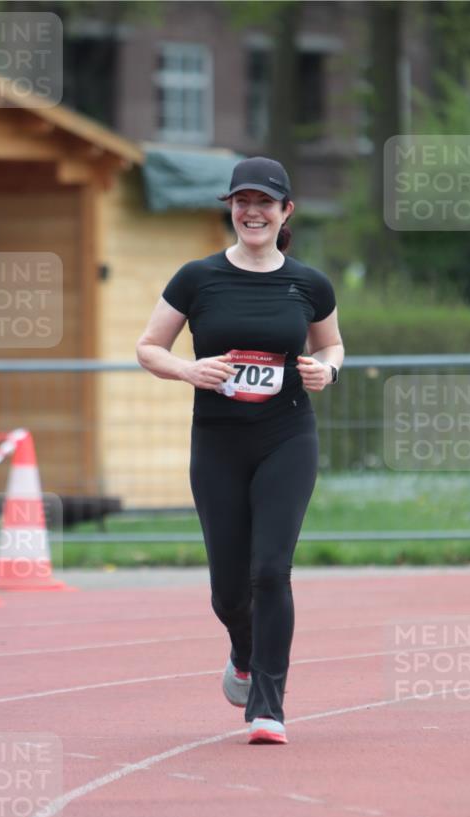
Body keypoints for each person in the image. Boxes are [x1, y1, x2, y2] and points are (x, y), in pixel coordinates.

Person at [136, 156, 344, 745]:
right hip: (218, 442)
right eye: (242, 202)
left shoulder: (309, 283)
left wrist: (326, 372)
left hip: (287, 437)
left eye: (265, 203)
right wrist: (186, 369)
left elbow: (332, 346)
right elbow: (148, 347)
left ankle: (268, 707)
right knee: (229, 589)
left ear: (286, 213)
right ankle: (243, 653)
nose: (253, 212)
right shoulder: (196, 279)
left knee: (271, 571)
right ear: (230, 208)